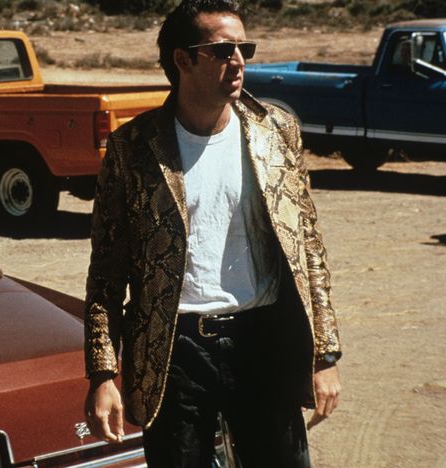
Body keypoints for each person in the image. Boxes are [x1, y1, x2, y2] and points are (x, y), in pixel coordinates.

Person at [83, 1, 342, 466]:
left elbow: (309, 248)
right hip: (174, 349)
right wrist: (102, 374)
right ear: (182, 59)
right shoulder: (133, 148)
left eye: (245, 48)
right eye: (223, 50)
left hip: (263, 338)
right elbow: (106, 271)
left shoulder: (275, 131)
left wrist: (324, 355)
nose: (238, 61)